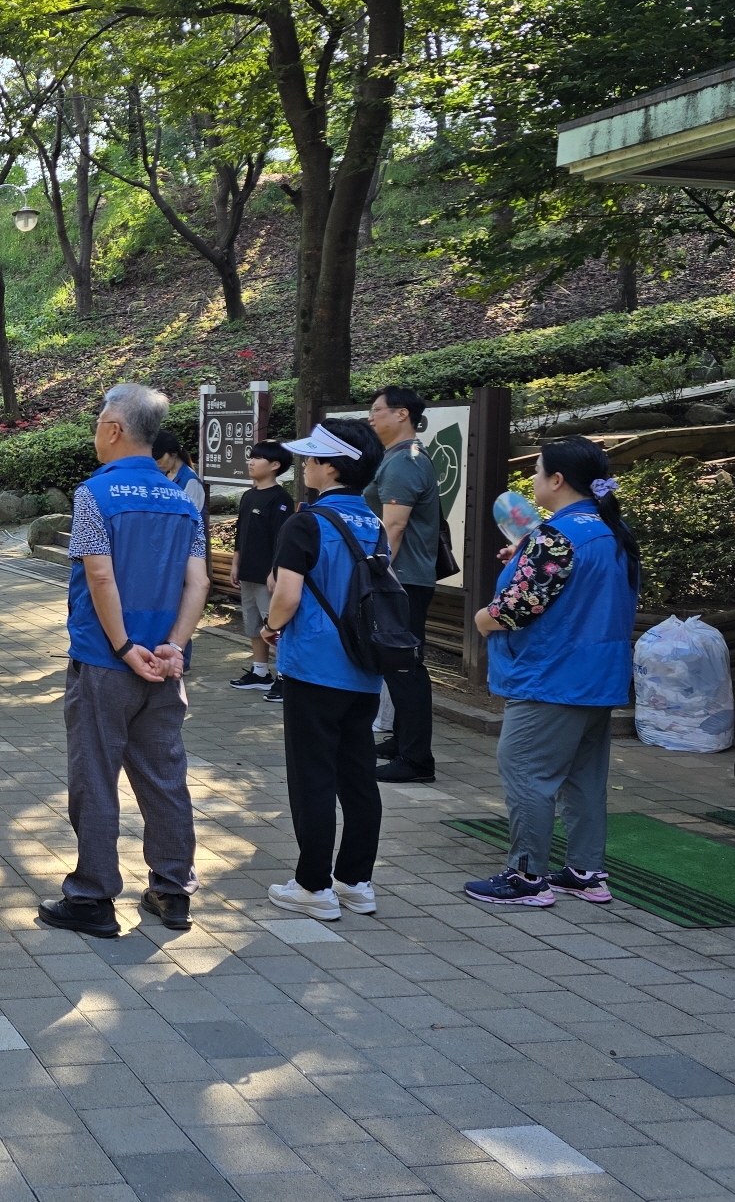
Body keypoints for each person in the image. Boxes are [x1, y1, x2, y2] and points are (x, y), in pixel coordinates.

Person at [38, 384, 208, 939]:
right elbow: (197, 580)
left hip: (105, 661)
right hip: (164, 664)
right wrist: (175, 646)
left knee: (95, 776)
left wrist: (120, 646)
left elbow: (100, 574)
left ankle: (92, 896)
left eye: (97, 423)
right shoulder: (183, 498)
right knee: (165, 777)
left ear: (114, 428)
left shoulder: (95, 494)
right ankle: (172, 890)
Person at [463, 437, 640, 908]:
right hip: (599, 676)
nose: (535, 480)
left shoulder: (556, 536)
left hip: (551, 676)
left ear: (557, 481)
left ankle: (526, 877)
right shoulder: (611, 527)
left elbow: (520, 608)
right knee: (583, 778)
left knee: (526, 773)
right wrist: (525, 559)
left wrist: (483, 618)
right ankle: (585, 871)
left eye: (538, 471)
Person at [259, 420, 388, 922]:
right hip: (365, 665)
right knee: (358, 777)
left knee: (312, 777)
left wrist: (271, 629)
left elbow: (286, 595)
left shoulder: (306, 522)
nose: (304, 466)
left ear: (331, 466)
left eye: (311, 459)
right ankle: (356, 881)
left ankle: (313, 886)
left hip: (315, 664)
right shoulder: (371, 523)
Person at [366, 386, 444, 783]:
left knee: (405, 667)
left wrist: (376, 578)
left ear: (401, 415)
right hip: (405, 579)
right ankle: (403, 742)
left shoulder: (404, 462)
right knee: (398, 664)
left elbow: (393, 527)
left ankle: (416, 760)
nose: (371, 417)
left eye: (377, 410)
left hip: (403, 581)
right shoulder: (397, 459)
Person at [229, 442, 295, 699]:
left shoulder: (280, 499)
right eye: (251, 458)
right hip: (247, 572)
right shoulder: (248, 495)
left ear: (275, 465)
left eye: (257, 458)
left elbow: (283, 539)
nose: (251, 462)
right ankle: (260, 673)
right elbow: (240, 534)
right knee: (254, 625)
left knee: (275, 628)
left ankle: (284, 677)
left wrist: (274, 571)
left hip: (269, 577)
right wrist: (236, 563)